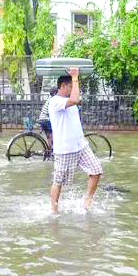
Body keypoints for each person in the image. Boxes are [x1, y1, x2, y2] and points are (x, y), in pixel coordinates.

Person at [48, 68, 103, 214]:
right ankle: (54, 209)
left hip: (81, 146)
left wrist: (75, 79)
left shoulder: (69, 102)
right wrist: (75, 77)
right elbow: (75, 99)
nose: (73, 89)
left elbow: (75, 100)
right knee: (58, 181)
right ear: (64, 86)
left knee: (96, 170)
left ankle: (87, 199)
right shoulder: (55, 101)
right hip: (65, 150)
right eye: (71, 86)